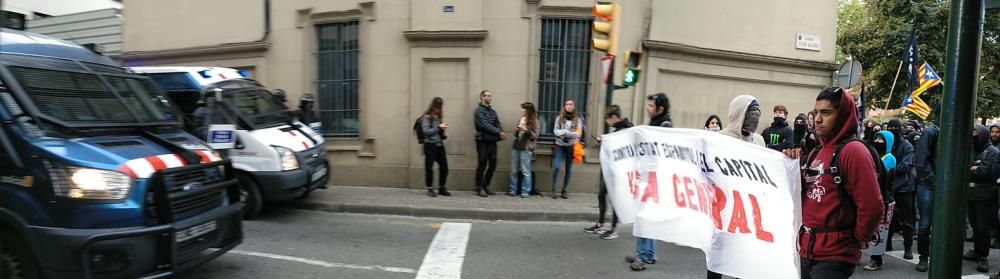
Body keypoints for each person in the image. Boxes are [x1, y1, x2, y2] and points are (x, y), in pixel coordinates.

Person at [782, 87, 883, 279]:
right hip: (805, 250)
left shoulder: (854, 152)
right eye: (816, 112)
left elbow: (872, 205)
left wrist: (861, 238)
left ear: (842, 115)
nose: (817, 119)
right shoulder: (815, 152)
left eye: (826, 113)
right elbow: (800, 196)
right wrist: (790, 164)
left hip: (834, 255)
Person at [625, 93, 672, 272]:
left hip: (654, 178)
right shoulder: (656, 123)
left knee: (644, 216)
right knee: (647, 216)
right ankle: (649, 254)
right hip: (649, 176)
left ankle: (642, 256)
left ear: (660, 109)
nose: (648, 108)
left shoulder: (664, 125)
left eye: (651, 106)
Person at [584, 105, 632, 240]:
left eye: (608, 119)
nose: (607, 122)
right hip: (608, 169)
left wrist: (607, 140)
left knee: (615, 199)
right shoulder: (617, 130)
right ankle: (600, 224)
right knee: (601, 194)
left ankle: (613, 229)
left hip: (617, 171)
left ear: (614, 117)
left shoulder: (627, 129)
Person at [963, 125, 1000, 273]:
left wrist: (975, 168)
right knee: (974, 225)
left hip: (985, 196)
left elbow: (987, 172)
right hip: (971, 194)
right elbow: (966, 168)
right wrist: (974, 168)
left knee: (983, 227)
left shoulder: (993, 152)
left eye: (976, 134)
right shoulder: (972, 149)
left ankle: (983, 256)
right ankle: (977, 250)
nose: (974, 137)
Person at [862, 131, 898, 271]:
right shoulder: (876, 156)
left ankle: (876, 259)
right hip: (875, 195)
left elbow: (883, 179)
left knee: (880, 230)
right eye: (876, 138)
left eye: (881, 139)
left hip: (885, 197)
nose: (877, 141)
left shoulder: (889, 158)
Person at [883, 119, 915, 258]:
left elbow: (905, 166)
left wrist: (889, 168)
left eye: (895, 127)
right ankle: (887, 242)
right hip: (888, 187)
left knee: (906, 220)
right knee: (888, 218)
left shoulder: (906, 145)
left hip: (903, 188)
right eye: (890, 127)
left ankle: (908, 247)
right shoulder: (886, 144)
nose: (892, 129)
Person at [913, 122, 939, 272]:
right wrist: (933, 179)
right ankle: (924, 257)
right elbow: (921, 160)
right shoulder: (930, 132)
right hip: (929, 185)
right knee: (925, 224)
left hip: (943, 185)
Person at [474, 90, 505, 197]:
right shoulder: (478, 111)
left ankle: (486, 185)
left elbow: (498, 123)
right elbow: (484, 125)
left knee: (493, 164)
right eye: (486, 96)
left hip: (492, 141)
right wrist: (498, 132)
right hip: (482, 140)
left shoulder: (493, 112)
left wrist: (501, 131)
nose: (489, 97)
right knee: (482, 163)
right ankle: (479, 187)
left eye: (490, 96)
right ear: (482, 97)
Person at [551, 99, 584, 199]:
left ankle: (564, 190)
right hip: (560, 145)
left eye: (571, 104)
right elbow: (555, 131)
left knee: (568, 169)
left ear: (574, 106)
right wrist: (564, 132)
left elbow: (578, 134)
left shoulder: (578, 119)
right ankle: (553, 189)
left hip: (571, 146)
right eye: (567, 104)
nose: (568, 106)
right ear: (564, 106)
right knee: (556, 167)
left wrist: (568, 134)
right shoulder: (559, 118)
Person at [420, 97, 450, 197]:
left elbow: (438, 131)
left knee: (444, 167)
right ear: (433, 106)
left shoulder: (438, 117)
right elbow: (425, 132)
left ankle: (442, 187)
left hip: (439, 145)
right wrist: (438, 128)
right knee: (429, 168)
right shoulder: (427, 117)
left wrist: (443, 132)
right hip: (430, 145)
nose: (438, 108)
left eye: (440, 106)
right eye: (437, 106)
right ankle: (430, 189)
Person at [508, 102, 539, 198]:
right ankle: (512, 190)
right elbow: (515, 134)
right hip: (517, 146)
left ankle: (525, 191)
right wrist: (517, 130)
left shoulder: (535, 121)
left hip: (526, 148)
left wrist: (526, 130)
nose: (521, 110)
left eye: (523, 109)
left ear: (528, 110)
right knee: (514, 170)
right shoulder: (521, 119)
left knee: (526, 171)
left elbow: (536, 136)